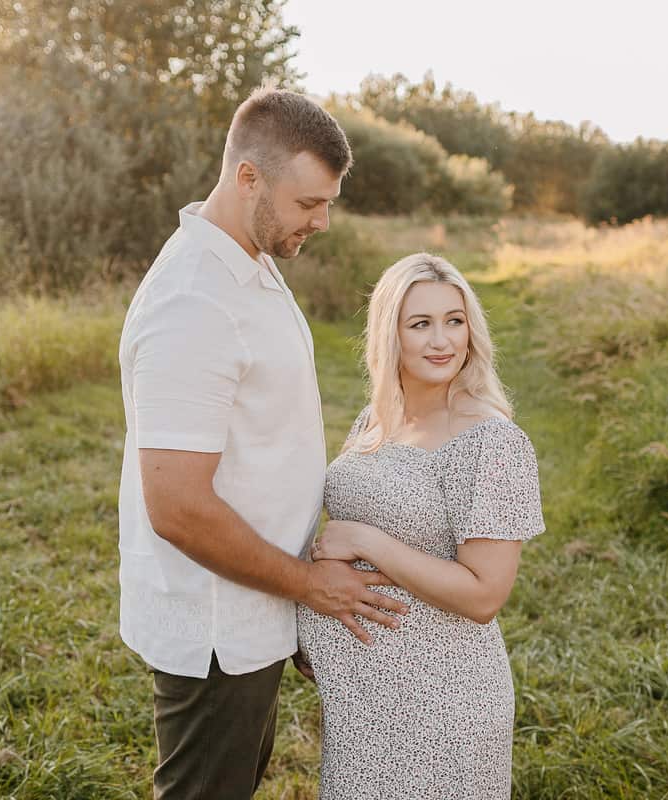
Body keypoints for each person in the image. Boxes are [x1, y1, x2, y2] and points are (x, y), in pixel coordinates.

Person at [116, 86, 409, 800]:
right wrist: (310, 585)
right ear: (248, 178)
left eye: (329, 202)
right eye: (310, 203)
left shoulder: (250, 260)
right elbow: (178, 507)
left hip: (259, 605)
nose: (325, 221)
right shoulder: (194, 301)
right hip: (220, 628)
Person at [297, 252, 546, 799]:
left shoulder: (492, 443)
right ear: (391, 335)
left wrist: (367, 542)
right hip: (362, 699)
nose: (442, 341)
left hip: (442, 706)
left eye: (454, 321)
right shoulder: (377, 419)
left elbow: (485, 596)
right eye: (421, 324)